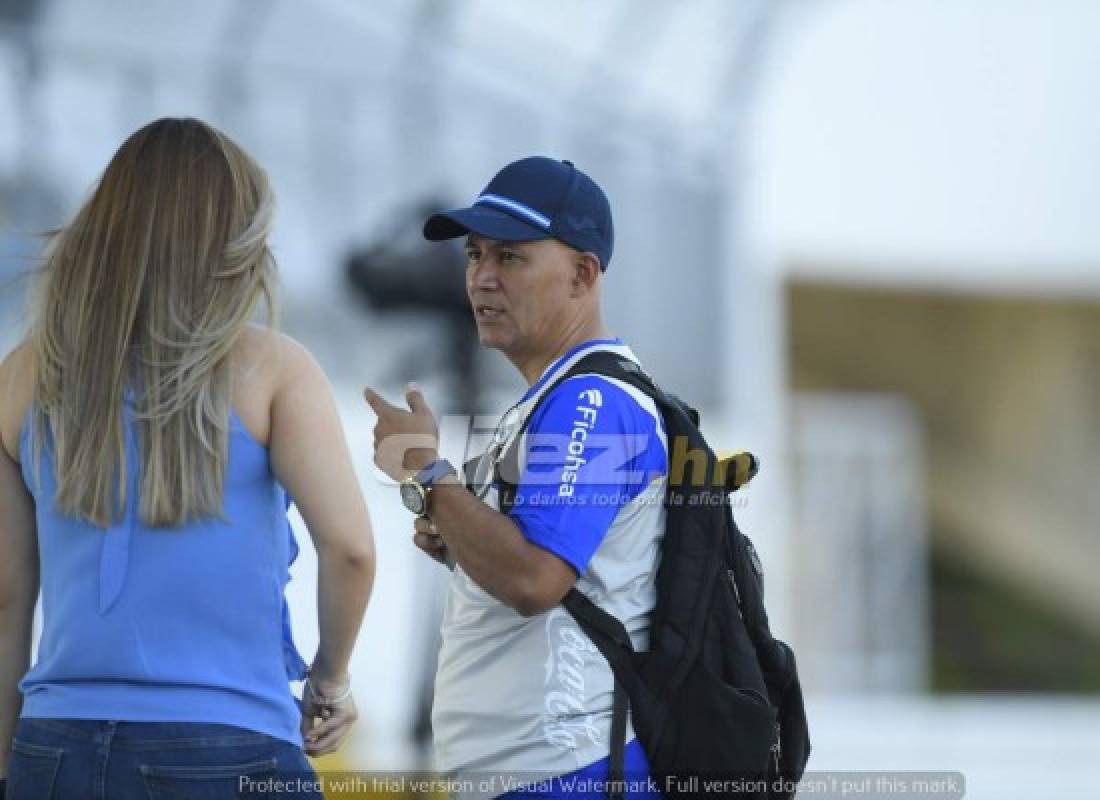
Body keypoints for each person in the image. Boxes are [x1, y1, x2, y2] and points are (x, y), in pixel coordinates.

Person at [0, 117, 375, 798]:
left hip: (55, 745)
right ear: (234, 243)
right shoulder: (272, 368)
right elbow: (350, 549)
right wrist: (330, 681)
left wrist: (10, 759)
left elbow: (6, 595)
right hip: (228, 744)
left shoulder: (24, 374)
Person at [365, 157, 665, 799]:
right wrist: (455, 527)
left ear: (583, 273)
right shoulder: (555, 399)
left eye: (511, 257)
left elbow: (534, 580)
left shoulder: (590, 401)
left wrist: (427, 472)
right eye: (474, 256)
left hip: (565, 774)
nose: (481, 278)